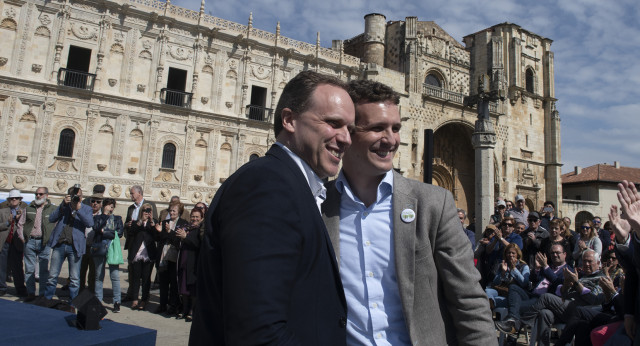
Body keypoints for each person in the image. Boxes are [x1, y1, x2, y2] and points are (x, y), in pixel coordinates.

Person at [321, 79, 495, 345]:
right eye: (378, 128)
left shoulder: (433, 204)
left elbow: (469, 301)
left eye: (396, 128)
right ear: (348, 134)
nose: (391, 140)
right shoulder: (319, 206)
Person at [190, 71, 354, 345]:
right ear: (289, 120)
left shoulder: (294, 186)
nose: (346, 138)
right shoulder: (268, 185)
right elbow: (259, 331)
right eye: (334, 123)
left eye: (350, 128)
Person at [498, 250, 606, 345]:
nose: (586, 264)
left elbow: (594, 299)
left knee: (546, 297)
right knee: (545, 313)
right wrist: (567, 285)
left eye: (589, 261)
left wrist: (577, 283)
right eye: (584, 261)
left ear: (597, 263)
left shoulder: (601, 278)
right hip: (565, 307)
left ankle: (517, 325)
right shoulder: (580, 273)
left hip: (582, 311)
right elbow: (563, 293)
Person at [494, 243, 569, 333]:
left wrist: (545, 267)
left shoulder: (568, 270)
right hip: (531, 295)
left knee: (514, 307)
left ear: (564, 254)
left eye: (557, 253)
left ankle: (512, 328)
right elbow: (533, 280)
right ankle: (512, 320)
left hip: (544, 301)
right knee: (513, 287)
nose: (554, 255)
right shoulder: (548, 267)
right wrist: (537, 269)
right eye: (552, 253)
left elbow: (557, 283)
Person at [45, 185, 94, 301]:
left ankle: (73, 303)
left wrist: (78, 209)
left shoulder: (86, 208)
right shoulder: (64, 207)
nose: (77, 198)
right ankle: (47, 299)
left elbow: (89, 223)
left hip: (75, 247)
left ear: (82, 197)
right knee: (52, 275)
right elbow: (51, 219)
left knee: (75, 278)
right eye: (74, 196)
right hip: (60, 244)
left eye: (79, 196)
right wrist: (63, 205)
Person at [123, 185, 157, 302]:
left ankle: (143, 298)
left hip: (147, 245)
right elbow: (127, 224)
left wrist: (151, 220)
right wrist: (130, 225)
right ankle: (132, 295)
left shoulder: (150, 205)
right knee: (132, 273)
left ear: (139, 193)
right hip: (134, 243)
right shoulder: (131, 208)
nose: (131, 195)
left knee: (145, 276)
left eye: (132, 193)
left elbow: (155, 224)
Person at [154, 200, 187, 315]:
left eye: (174, 210)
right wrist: (159, 232)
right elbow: (160, 238)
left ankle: (173, 305)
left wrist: (169, 232)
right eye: (170, 210)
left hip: (174, 256)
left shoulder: (183, 224)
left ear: (179, 212)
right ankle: (162, 304)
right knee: (163, 282)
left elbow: (178, 240)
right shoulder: (165, 222)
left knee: (173, 282)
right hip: (163, 255)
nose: (172, 212)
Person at [22, 187, 56, 301]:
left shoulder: (52, 209)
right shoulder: (28, 208)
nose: (38, 196)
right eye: (36, 194)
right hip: (30, 241)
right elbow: (21, 224)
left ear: (47, 195)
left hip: (44, 242)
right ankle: (31, 293)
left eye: (40, 194)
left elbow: (57, 225)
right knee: (29, 269)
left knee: (43, 270)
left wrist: (52, 239)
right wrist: (22, 237)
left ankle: (42, 294)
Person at [91, 198, 124, 312]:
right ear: (104, 206)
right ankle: (98, 300)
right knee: (99, 275)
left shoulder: (117, 218)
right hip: (100, 247)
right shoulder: (97, 218)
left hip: (112, 248)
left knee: (114, 276)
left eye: (113, 205)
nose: (111, 207)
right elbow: (96, 228)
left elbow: (119, 233)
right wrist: (107, 229)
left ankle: (117, 301)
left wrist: (104, 232)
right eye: (109, 205)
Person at [176, 207, 203, 322]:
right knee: (184, 288)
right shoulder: (187, 228)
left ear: (201, 218)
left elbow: (198, 244)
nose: (194, 219)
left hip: (194, 261)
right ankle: (184, 309)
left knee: (192, 288)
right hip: (184, 259)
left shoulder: (200, 230)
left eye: (197, 217)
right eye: (193, 216)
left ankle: (192, 310)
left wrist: (185, 237)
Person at [485, 243, 530, 310]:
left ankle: (491, 308)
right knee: (487, 291)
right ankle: (491, 305)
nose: (511, 255)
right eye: (509, 253)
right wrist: (503, 272)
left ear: (517, 254)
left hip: (514, 294)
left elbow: (524, 283)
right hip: (501, 290)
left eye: (513, 253)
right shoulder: (503, 265)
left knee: (495, 300)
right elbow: (495, 283)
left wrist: (514, 269)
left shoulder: (523, 266)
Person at [0, 189, 27, 297]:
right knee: (2, 266)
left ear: (20, 200)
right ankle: (1, 287)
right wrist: (7, 222)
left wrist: (21, 219)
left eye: (16, 198)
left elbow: (28, 227)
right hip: (5, 242)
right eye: (12, 198)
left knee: (17, 267)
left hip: (17, 243)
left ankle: (20, 288)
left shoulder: (24, 212)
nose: (14, 200)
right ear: (9, 200)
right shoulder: (3, 212)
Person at [79, 191, 102, 293]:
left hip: (95, 247)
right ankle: (79, 292)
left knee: (93, 273)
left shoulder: (103, 216)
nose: (95, 203)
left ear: (101, 204)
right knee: (80, 271)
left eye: (98, 201)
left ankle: (90, 294)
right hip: (83, 246)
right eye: (93, 201)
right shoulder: (84, 213)